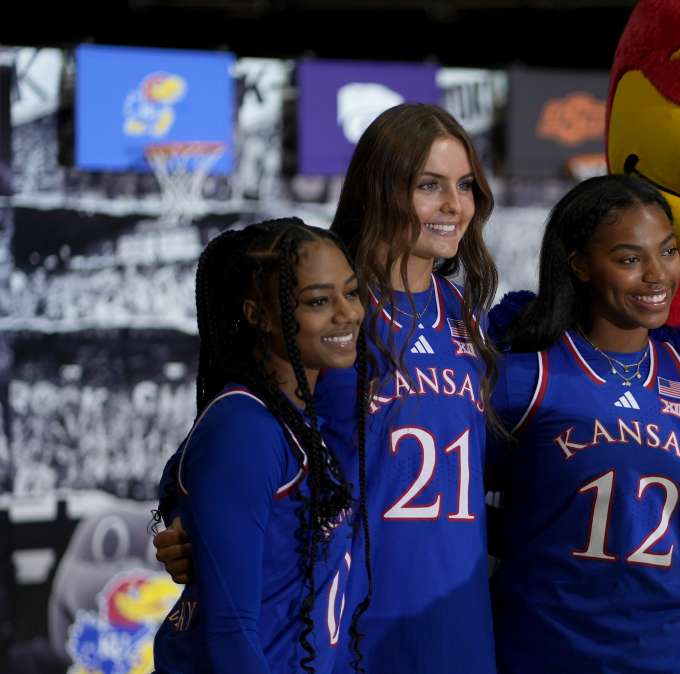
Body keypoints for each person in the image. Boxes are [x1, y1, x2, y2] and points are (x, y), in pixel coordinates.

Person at [155, 104, 504, 674]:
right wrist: (172, 521)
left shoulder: (466, 316)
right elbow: (209, 449)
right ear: (381, 189)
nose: (454, 205)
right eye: (429, 186)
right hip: (345, 628)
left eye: (465, 185)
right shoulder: (328, 316)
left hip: (457, 624)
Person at [488, 174, 680, 673]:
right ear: (580, 265)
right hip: (548, 651)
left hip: (664, 654)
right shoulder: (527, 376)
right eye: (630, 259)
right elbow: (460, 506)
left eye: (668, 251)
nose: (657, 275)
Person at [152, 218, 369, 674]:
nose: (346, 313)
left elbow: (179, 480)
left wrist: (177, 519)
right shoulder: (244, 428)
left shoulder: (295, 415)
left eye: (351, 292)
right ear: (259, 315)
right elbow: (231, 633)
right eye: (318, 301)